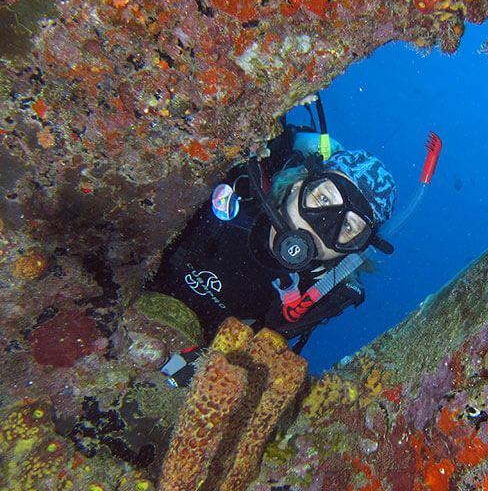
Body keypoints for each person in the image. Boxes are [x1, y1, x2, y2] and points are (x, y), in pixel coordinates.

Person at [147, 97, 401, 385]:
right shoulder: (239, 184)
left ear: (352, 252)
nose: (321, 226)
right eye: (323, 198)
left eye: (348, 228)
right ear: (297, 184)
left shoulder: (314, 297)